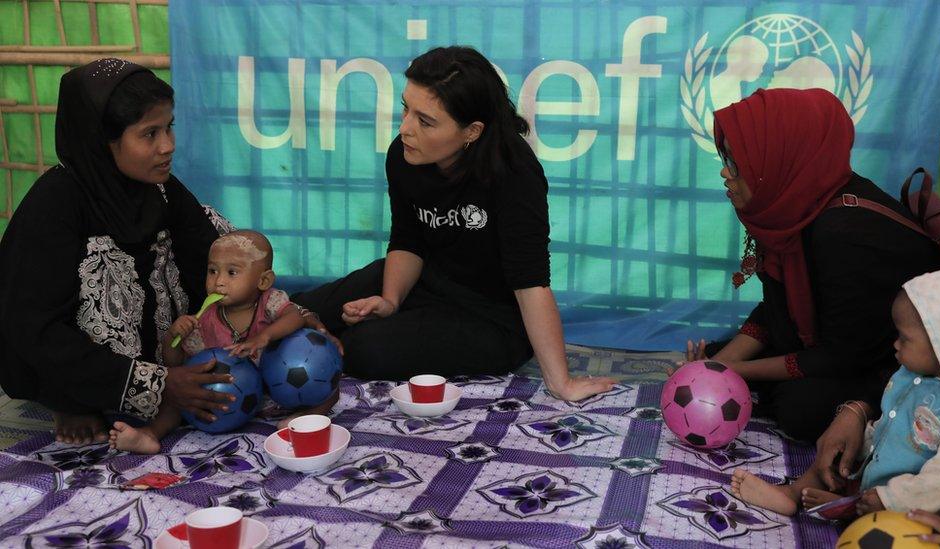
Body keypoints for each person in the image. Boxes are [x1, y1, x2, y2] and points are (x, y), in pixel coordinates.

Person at [294, 46, 615, 402]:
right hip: (427, 284)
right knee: (303, 308)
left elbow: (530, 283)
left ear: (472, 131)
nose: (405, 129)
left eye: (425, 121)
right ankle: (241, 350)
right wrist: (390, 300)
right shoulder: (403, 156)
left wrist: (561, 383)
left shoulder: (514, 173)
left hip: (494, 320)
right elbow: (408, 238)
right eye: (405, 108)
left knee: (360, 349)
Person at [682, 88, 940, 442]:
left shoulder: (845, 233)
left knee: (801, 409)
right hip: (832, 341)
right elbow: (777, 309)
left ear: (778, 157)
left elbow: (841, 355)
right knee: (717, 356)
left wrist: (733, 371)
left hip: (895, 360)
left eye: (737, 162)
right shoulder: (793, 205)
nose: (725, 172)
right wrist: (717, 367)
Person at [0, 59, 236, 445]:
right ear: (101, 140)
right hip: (71, 364)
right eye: (149, 134)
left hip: (161, 350)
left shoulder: (161, 189)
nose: (168, 145)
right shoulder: (55, 203)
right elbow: (34, 331)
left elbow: (208, 256)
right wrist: (158, 386)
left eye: (169, 127)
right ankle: (71, 401)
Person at [729, 259, 940, 516]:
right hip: (879, 459)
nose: (896, 344)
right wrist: (859, 425)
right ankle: (794, 493)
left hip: (913, 493)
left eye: (905, 338)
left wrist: (889, 498)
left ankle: (854, 507)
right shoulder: (918, 370)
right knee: (841, 450)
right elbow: (889, 419)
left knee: (935, 508)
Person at [109, 230, 307, 454]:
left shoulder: (270, 300)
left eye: (232, 272)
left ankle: (310, 415)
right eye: (212, 271)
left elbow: (296, 317)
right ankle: (150, 434)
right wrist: (173, 337)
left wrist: (264, 336)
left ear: (263, 280)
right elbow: (176, 365)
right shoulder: (205, 320)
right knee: (177, 397)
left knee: (317, 382)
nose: (219, 282)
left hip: (274, 387)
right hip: (230, 398)